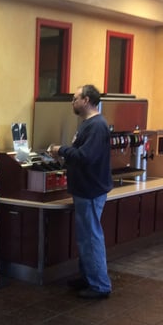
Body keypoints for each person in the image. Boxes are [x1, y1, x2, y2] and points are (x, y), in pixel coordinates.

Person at [48, 84, 113, 299]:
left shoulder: (96, 126)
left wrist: (61, 150)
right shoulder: (88, 124)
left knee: (92, 237)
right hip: (85, 188)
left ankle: (100, 285)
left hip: (90, 189)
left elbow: (86, 157)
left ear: (86, 100)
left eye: (75, 98)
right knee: (85, 238)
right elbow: (80, 154)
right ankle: (88, 277)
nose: (72, 102)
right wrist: (66, 155)